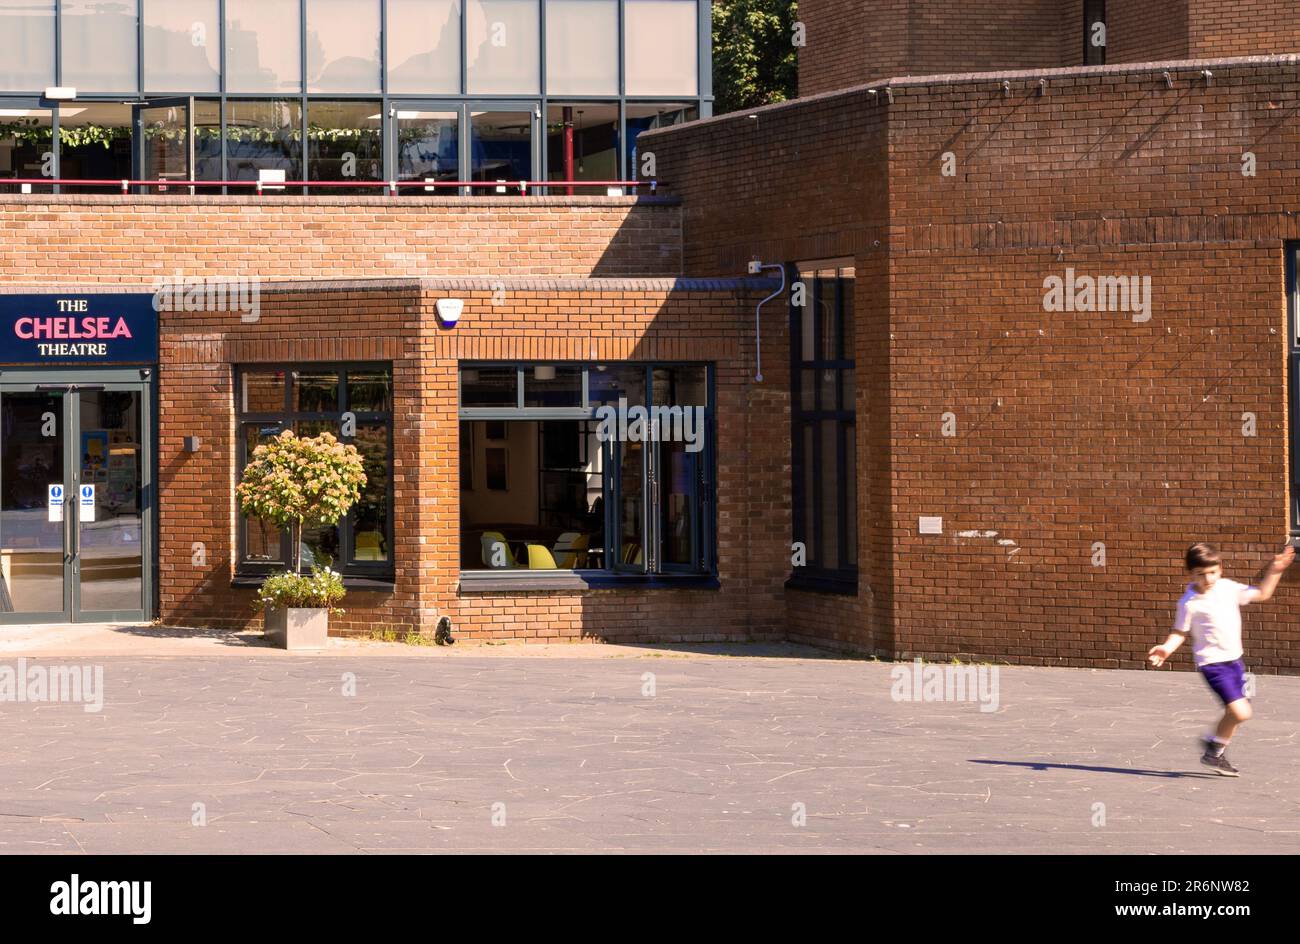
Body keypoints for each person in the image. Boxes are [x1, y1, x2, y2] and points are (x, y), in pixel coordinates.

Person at [1147, 542, 1294, 776]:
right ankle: (1214, 749)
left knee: (1236, 711)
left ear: (1221, 568)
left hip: (1235, 661)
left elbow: (1263, 594)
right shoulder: (1189, 603)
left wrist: (1275, 570)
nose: (1208, 579)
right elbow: (1179, 632)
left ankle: (1214, 752)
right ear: (1191, 574)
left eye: (1212, 572)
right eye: (1200, 574)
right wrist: (1166, 648)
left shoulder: (1228, 588)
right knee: (1241, 712)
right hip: (1212, 664)